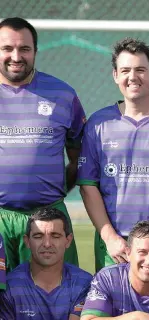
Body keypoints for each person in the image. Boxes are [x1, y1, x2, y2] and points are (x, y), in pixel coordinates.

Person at [77, 38, 149, 273]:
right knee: (113, 309)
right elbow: (88, 186)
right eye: (125, 70)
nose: (133, 77)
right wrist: (109, 237)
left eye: (140, 70)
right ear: (115, 75)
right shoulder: (98, 124)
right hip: (115, 246)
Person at [0, 17, 86, 271]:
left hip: (49, 217)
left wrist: (52, 194)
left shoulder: (62, 94)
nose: (16, 56)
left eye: (24, 49)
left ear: (36, 51)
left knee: (56, 302)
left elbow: (78, 158)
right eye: (7, 48)